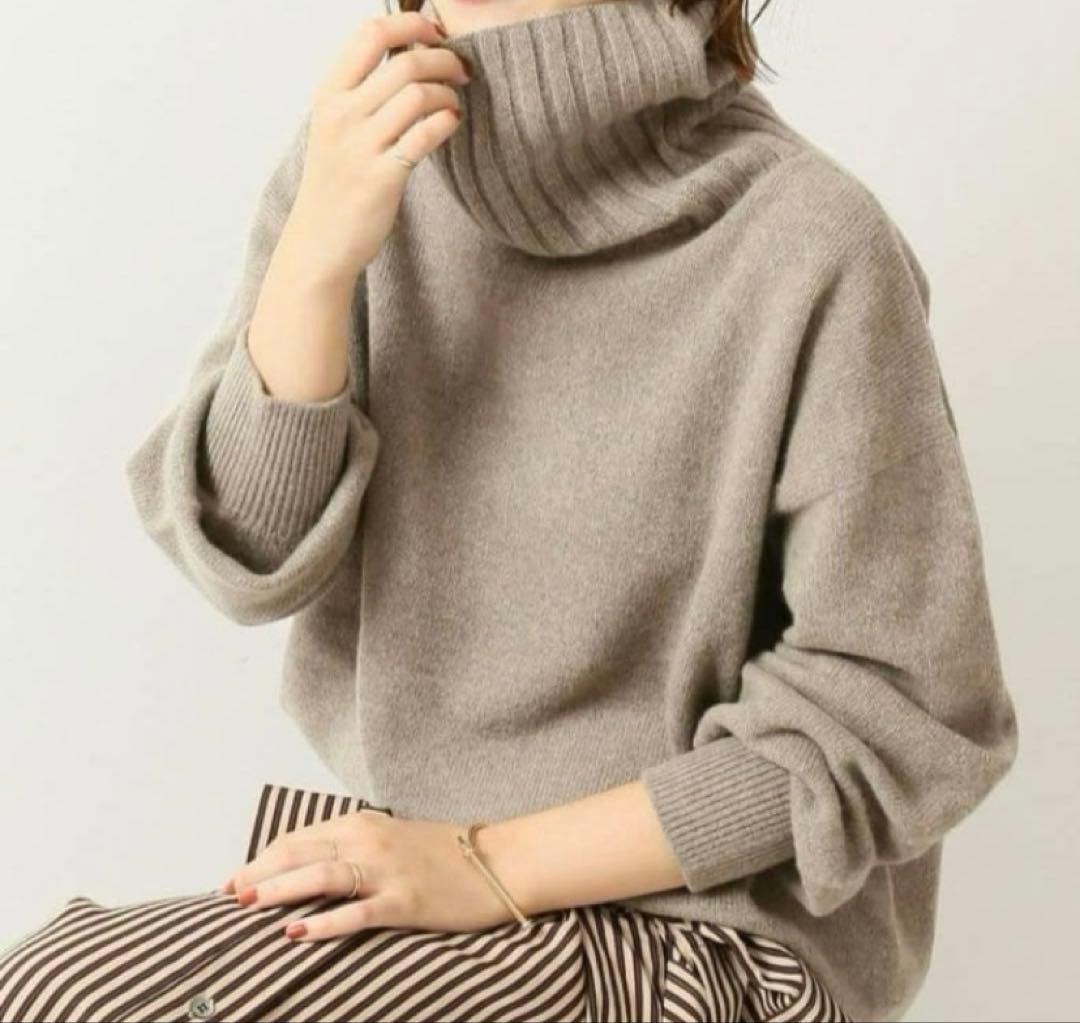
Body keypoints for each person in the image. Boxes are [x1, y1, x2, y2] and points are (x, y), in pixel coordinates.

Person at [0, 0, 1019, 1020]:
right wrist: (312, 262)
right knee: (50, 986)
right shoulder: (364, 166)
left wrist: (488, 862)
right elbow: (245, 553)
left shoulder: (809, 238)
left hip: (706, 935)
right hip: (420, 887)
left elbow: (905, 712)